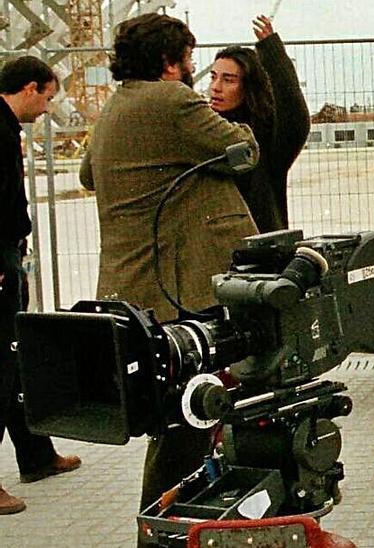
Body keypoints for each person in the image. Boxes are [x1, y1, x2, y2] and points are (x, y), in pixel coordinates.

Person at [79, 13, 259, 518]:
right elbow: (244, 149)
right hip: (174, 292)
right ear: (168, 61)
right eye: (189, 60)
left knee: (176, 422)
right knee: (188, 420)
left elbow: (89, 173)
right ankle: (164, 527)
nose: (195, 71)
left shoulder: (119, 104)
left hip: (130, 290)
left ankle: (176, 522)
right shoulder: (171, 99)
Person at [0, 56, 81, 516]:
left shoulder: (6, 130)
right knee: (0, 367)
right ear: (30, 88)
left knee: (14, 359)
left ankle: (35, 454)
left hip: (9, 257)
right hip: (0, 261)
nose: (48, 109)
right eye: (48, 98)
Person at [209, 15, 310, 233]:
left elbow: (295, 119)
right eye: (213, 77)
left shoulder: (263, 138)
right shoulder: (202, 129)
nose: (215, 87)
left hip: (261, 251)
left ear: (248, 87)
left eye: (228, 80)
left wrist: (272, 51)